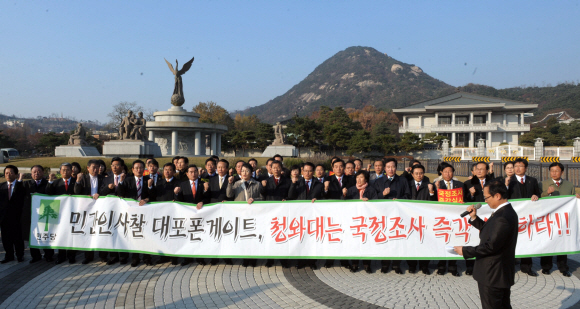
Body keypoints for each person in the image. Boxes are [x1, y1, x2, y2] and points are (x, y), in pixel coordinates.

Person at [454, 180, 518, 309]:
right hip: (499, 272)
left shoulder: (503, 216)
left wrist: (465, 251)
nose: (485, 201)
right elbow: (491, 233)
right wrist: (474, 218)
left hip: (493, 274)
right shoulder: (505, 212)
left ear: (498, 196)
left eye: (487, 197)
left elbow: (491, 246)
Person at [373, 157, 411, 274]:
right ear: (385, 168)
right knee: (385, 240)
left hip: (398, 216)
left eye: (393, 167)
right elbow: (373, 198)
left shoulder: (402, 180)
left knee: (397, 240)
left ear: (396, 168)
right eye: (388, 167)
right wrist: (382, 194)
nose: (391, 169)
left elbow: (408, 195)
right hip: (383, 216)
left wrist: (399, 200)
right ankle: (385, 264)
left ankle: (396, 264)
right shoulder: (379, 181)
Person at [506, 158, 541, 277]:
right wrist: (505, 186)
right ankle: (510, 266)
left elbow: (538, 194)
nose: (517, 168)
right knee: (511, 241)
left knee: (527, 240)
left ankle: (527, 267)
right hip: (513, 216)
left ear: (526, 168)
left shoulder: (532, 181)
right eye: (515, 166)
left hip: (528, 218)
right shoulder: (508, 181)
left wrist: (536, 196)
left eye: (520, 166)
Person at [117, 160, 155, 267]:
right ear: (133, 170)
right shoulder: (127, 180)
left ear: (144, 169)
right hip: (132, 213)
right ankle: (135, 258)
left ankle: (147, 257)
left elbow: (154, 196)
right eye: (136, 168)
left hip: (145, 213)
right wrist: (120, 182)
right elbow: (120, 194)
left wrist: (149, 191)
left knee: (146, 235)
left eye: (141, 168)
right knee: (134, 235)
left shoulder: (149, 180)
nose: (139, 170)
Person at [226, 163, 265, 268]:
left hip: (253, 215)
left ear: (251, 173)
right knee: (243, 237)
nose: (244, 173)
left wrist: (254, 200)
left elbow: (263, 199)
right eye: (242, 171)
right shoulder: (236, 184)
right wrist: (229, 184)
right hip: (240, 214)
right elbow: (229, 195)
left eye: (247, 171)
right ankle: (245, 259)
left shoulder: (257, 184)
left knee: (253, 237)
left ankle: (253, 259)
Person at [539, 162, 574, 277]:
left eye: (557, 170)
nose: (554, 173)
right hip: (548, 219)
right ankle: (546, 266)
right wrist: (546, 193)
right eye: (552, 171)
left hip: (563, 220)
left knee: (563, 244)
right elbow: (537, 200)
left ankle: (563, 267)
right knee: (548, 242)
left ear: (562, 172)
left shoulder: (569, 185)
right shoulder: (543, 184)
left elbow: (573, 202)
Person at [287, 162, 324, 269]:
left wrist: (318, 200)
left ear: (313, 172)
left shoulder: (319, 184)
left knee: (312, 239)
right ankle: (301, 261)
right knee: (301, 238)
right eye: (305, 171)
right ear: (302, 171)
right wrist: (293, 184)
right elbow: (290, 196)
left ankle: (312, 261)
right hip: (300, 215)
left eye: (310, 171)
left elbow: (323, 198)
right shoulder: (297, 182)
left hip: (313, 216)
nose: (307, 173)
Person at [341, 170, 378, 273]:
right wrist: (344, 195)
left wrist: (369, 202)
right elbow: (343, 205)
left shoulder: (371, 190)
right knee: (354, 242)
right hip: (354, 221)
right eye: (357, 177)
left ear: (366, 179)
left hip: (367, 221)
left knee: (367, 242)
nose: (359, 179)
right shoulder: (351, 190)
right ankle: (355, 264)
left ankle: (367, 265)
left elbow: (377, 204)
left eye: (361, 177)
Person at [433, 162, 464, 276]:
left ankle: (452, 266)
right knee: (442, 241)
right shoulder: (437, 184)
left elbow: (465, 199)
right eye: (445, 171)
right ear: (441, 172)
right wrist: (435, 190)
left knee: (454, 241)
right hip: (441, 219)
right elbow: (432, 202)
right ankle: (441, 265)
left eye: (450, 171)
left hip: (455, 218)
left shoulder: (460, 184)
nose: (448, 173)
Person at [463, 161, 494, 275]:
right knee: (472, 240)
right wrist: (471, 195)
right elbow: (463, 200)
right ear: (474, 171)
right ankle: (470, 267)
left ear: (487, 171)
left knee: (486, 240)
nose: (479, 171)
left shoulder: (493, 183)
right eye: (477, 169)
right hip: (473, 217)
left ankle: (486, 266)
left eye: (482, 169)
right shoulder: (468, 183)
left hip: (488, 215)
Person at [175, 164, 209, 266]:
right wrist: (176, 194)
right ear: (187, 174)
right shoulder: (183, 185)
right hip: (187, 216)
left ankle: (200, 257)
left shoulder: (203, 184)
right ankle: (187, 257)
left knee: (200, 236)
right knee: (187, 236)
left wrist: (203, 199)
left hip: (200, 215)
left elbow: (209, 198)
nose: (193, 174)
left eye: (195, 171)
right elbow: (179, 200)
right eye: (191, 172)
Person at [323, 159, 353, 269]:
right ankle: (330, 259)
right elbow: (324, 197)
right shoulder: (328, 180)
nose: (339, 169)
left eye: (341, 166)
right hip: (332, 213)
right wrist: (325, 188)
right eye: (336, 166)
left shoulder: (350, 179)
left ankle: (344, 260)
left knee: (344, 236)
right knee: (332, 235)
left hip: (346, 213)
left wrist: (346, 195)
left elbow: (354, 193)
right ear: (333, 168)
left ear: (344, 168)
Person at [73, 159, 105, 264]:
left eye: (98, 167)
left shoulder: (103, 178)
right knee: (88, 232)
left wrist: (99, 194)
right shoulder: (83, 178)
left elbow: (106, 191)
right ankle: (88, 256)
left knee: (101, 231)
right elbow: (77, 193)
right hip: (87, 209)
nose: (96, 169)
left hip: (100, 209)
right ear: (88, 168)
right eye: (93, 167)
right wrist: (77, 181)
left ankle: (102, 255)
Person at [262, 160, 291, 268]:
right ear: (270, 169)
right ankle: (270, 259)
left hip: (283, 213)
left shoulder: (287, 181)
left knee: (283, 236)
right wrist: (263, 187)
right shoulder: (266, 181)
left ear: (281, 168)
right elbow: (263, 196)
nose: (276, 169)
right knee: (271, 236)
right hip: (271, 213)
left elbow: (290, 195)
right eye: (273, 167)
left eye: (278, 167)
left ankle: (284, 259)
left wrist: (286, 199)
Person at [202, 159, 232, 265]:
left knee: (226, 234)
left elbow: (233, 195)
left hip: (227, 212)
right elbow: (207, 196)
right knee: (214, 235)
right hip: (214, 211)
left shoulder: (231, 179)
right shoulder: (211, 180)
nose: (220, 169)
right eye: (218, 167)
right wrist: (205, 190)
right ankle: (214, 256)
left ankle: (227, 257)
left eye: (223, 167)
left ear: (227, 169)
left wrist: (228, 202)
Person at [22, 165, 53, 263]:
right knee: (33, 235)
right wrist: (19, 180)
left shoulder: (47, 183)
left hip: (44, 214)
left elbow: (50, 193)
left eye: (39, 171)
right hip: (31, 215)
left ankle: (48, 255)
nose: (36, 173)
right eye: (34, 172)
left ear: (43, 173)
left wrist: (50, 181)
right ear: (31, 174)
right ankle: (35, 256)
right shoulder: (27, 184)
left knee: (45, 235)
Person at [46, 163, 77, 264]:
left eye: (67, 170)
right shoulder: (56, 183)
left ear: (71, 171)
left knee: (71, 234)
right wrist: (50, 181)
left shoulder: (75, 181)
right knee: (61, 234)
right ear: (60, 172)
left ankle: (72, 256)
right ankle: (61, 256)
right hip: (59, 213)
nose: (65, 172)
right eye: (63, 170)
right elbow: (48, 194)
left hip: (73, 212)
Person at [99, 157, 126, 265]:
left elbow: (125, 194)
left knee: (123, 233)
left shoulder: (127, 178)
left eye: (117, 165)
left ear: (122, 167)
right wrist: (108, 188)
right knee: (111, 232)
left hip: (123, 210)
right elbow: (101, 192)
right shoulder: (106, 178)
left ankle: (123, 256)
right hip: (110, 211)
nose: (114, 167)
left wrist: (121, 182)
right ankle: (113, 256)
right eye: (113, 165)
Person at [0, 165, 25, 263]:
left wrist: (19, 181)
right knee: (6, 238)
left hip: (17, 217)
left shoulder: (21, 185)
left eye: (11, 173)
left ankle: (20, 255)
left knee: (18, 237)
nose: (8, 175)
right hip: (4, 217)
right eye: (6, 173)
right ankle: (9, 255)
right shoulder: (1, 187)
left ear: (15, 174)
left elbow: (20, 196)